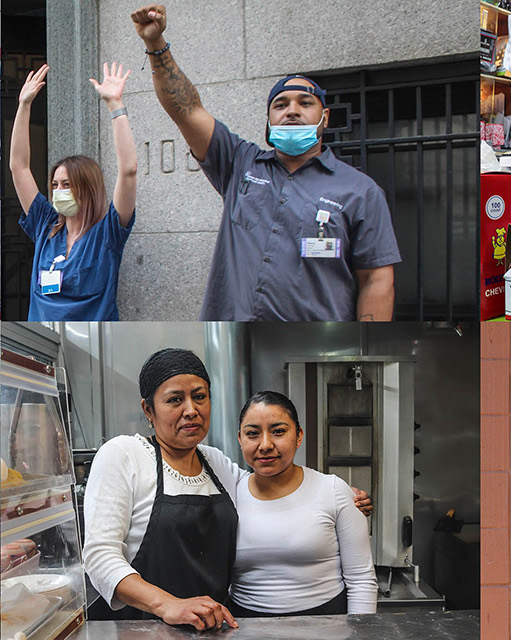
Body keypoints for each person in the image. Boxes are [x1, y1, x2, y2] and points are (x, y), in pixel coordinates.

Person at [131, 5, 400, 321]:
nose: (292, 111)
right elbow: (187, 109)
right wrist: (156, 44)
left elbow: (377, 280)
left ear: (324, 118)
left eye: (305, 103)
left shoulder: (361, 191)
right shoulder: (239, 164)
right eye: (281, 105)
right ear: (270, 121)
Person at [81, 349, 368, 630]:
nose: (191, 410)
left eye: (200, 397)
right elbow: (99, 556)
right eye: (175, 400)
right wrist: (167, 604)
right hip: (142, 628)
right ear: (148, 409)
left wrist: (341, 497)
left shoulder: (215, 462)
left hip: (212, 626)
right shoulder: (124, 454)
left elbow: (268, 487)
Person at [227, 391, 376, 616]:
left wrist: (360, 632)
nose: (265, 444)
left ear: (298, 436)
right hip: (244, 626)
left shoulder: (333, 490)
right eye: (252, 434)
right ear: (240, 439)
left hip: (326, 625)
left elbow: (361, 579)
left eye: (278, 431)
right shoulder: (229, 494)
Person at [8, 62, 138, 320]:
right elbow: (19, 167)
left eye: (67, 185)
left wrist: (115, 105)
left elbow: (129, 170)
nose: (58, 191)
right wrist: (23, 106)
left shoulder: (107, 234)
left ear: (87, 188)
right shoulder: (45, 226)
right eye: (55, 185)